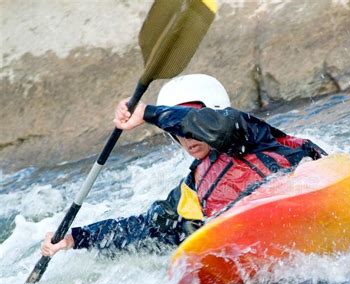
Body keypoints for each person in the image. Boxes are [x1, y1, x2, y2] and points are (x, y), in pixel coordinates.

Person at [41, 74, 327, 257]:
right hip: (259, 243)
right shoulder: (193, 189)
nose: (185, 137)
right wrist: (76, 238)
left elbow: (220, 128)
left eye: (188, 125)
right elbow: (149, 229)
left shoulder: (249, 135)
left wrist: (149, 113)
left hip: (310, 204)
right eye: (176, 131)